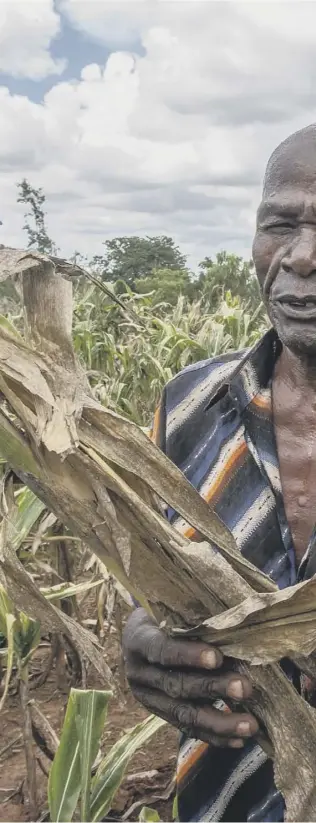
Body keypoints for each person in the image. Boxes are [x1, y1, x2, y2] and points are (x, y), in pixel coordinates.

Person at [122, 124, 316, 822]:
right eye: (280, 224)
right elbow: (147, 578)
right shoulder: (188, 405)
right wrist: (143, 638)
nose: (302, 256)